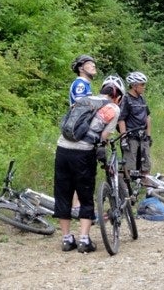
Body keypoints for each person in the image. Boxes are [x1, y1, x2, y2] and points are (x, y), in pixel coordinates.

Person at [53, 75, 125, 253]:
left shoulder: (84, 100)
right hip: (83, 153)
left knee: (63, 193)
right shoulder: (113, 108)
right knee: (85, 194)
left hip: (62, 149)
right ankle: (84, 240)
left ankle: (66, 239)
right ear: (118, 96)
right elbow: (103, 136)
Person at [68, 54, 97, 217]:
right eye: (89, 64)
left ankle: (77, 204)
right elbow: (82, 105)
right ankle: (76, 205)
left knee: (81, 170)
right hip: (79, 130)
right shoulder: (80, 84)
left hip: (81, 129)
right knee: (81, 170)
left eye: (94, 64)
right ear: (81, 68)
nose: (93, 66)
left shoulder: (85, 84)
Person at [118, 71, 152, 177]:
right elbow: (121, 119)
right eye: (142, 84)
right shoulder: (126, 99)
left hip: (143, 137)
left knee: (146, 165)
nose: (144, 87)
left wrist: (148, 136)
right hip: (131, 137)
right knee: (129, 166)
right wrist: (123, 138)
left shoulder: (142, 98)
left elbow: (148, 117)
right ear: (134, 85)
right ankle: (127, 185)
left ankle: (144, 184)